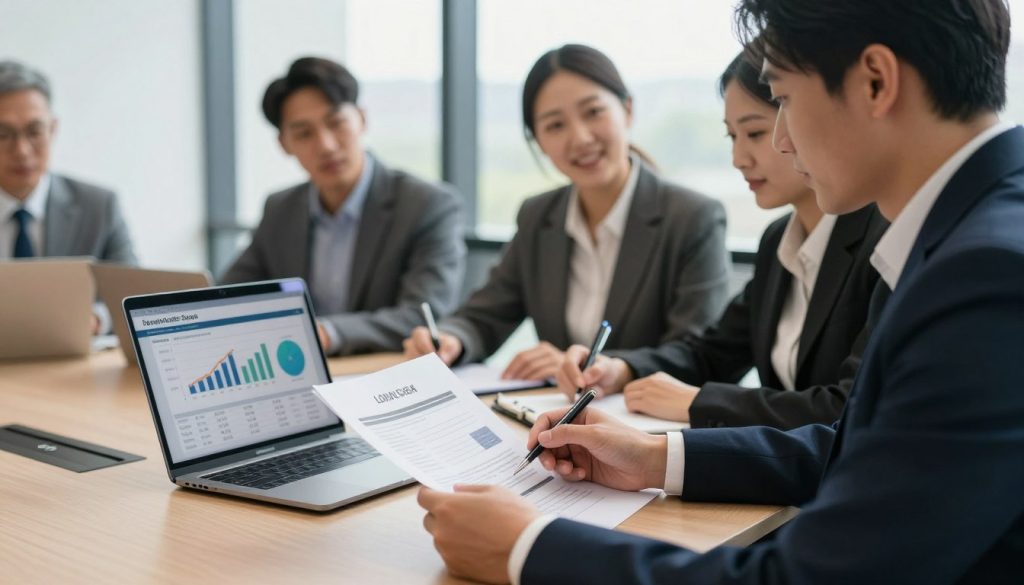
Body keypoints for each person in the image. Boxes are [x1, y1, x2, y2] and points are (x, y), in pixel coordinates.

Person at [417, 0, 1024, 582]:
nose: (780, 142)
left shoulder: (986, 277)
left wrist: (527, 547)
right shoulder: (960, 236)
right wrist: (657, 458)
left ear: (873, 81)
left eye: (782, 99)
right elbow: (861, 448)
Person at [554, 53, 888, 430]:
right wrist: (622, 368)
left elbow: (849, 407)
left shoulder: (884, 241)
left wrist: (701, 402)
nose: (738, 158)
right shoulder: (779, 240)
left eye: (755, 133)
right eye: (732, 136)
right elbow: (713, 352)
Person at [403, 44, 730, 381]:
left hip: (645, 423)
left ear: (627, 110)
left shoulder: (692, 217)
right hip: (553, 418)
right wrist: (451, 339)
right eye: (556, 125)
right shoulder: (539, 215)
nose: (580, 138)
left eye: (593, 112)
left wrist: (591, 365)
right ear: (539, 142)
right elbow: (486, 315)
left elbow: (695, 353)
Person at [221, 57, 466, 356]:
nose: (325, 145)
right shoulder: (280, 209)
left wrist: (326, 332)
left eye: (336, 123)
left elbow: (421, 315)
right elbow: (230, 297)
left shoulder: (427, 204)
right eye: (304, 133)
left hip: (385, 376)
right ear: (284, 144)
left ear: (362, 119)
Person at [0, 60, 136, 263]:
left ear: (53, 129)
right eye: (3, 134)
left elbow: (131, 291)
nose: (22, 151)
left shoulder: (99, 208)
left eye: (34, 132)